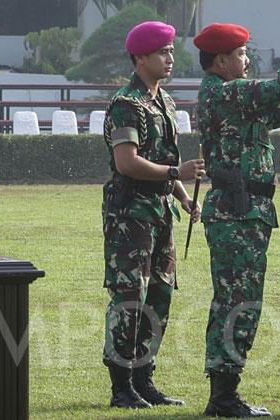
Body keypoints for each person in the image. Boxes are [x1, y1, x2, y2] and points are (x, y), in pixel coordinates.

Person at [193, 23, 280, 417]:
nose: (247, 61)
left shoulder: (232, 99)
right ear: (221, 61)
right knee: (237, 302)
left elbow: (278, 108)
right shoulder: (221, 93)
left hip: (247, 212)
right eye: (242, 55)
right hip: (236, 213)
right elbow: (279, 90)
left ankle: (225, 392)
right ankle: (223, 396)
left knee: (241, 301)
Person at [102, 21, 205, 409]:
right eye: (162, 52)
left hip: (159, 212)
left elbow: (164, 160)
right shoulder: (127, 104)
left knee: (159, 296)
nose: (170, 58)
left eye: (171, 52)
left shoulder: (165, 102)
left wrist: (181, 197)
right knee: (130, 296)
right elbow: (127, 162)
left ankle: (144, 381)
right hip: (130, 215)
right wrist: (178, 175)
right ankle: (121, 386)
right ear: (140, 57)